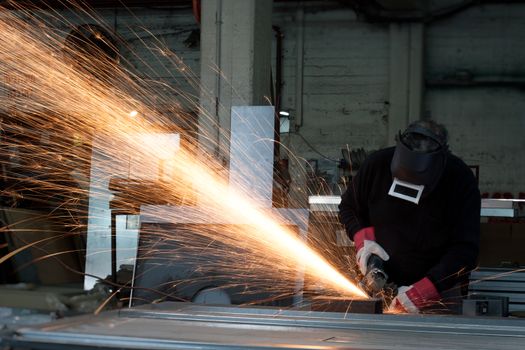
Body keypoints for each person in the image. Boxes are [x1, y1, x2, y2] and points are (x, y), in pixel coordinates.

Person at [339, 120, 480, 314]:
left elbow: (466, 249)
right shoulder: (377, 165)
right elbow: (349, 207)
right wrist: (363, 241)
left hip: (437, 293)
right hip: (377, 288)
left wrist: (426, 290)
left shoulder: (460, 179)